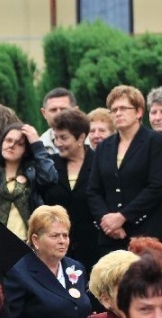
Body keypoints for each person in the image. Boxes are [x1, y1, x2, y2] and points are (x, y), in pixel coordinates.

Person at [88, 85, 162, 252]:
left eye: (123, 108)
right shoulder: (104, 146)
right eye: (113, 110)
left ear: (139, 112)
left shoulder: (155, 141)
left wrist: (123, 217)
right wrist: (107, 222)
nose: (118, 113)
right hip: (110, 236)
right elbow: (93, 190)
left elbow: (158, 186)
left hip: (147, 233)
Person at [40, 108, 100, 274]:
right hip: (56, 251)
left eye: (64, 138)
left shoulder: (99, 163)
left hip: (94, 247)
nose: (58, 143)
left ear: (81, 137)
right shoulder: (50, 165)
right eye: (56, 138)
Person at [0, 122, 58, 239]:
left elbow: (50, 178)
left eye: (19, 144)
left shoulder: (33, 172)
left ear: (26, 150)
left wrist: (37, 144)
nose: (11, 145)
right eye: (8, 140)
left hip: (27, 241)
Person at [39, 87, 77, 154]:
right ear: (44, 113)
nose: (58, 114)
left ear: (75, 111)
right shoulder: (37, 148)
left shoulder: (92, 142)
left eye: (63, 109)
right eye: (53, 110)